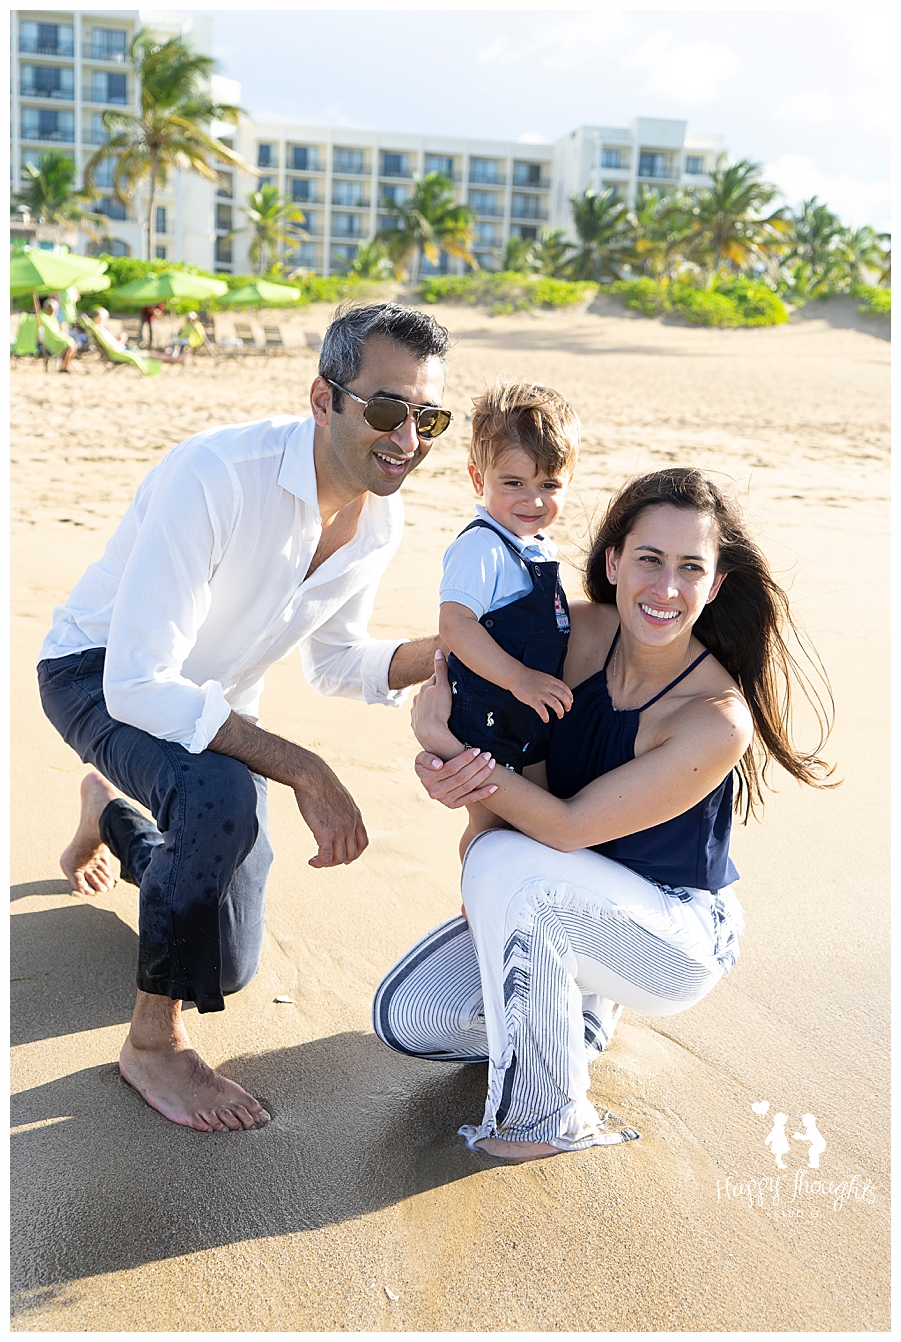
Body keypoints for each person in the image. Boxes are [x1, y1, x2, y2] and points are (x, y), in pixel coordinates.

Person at [38, 302, 454, 1135]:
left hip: (210, 715)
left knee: (224, 965)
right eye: (384, 409)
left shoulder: (380, 517)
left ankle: (112, 814)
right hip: (97, 674)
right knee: (223, 802)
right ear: (322, 398)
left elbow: (335, 662)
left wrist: (456, 650)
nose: (407, 439)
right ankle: (152, 1045)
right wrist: (304, 767)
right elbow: (140, 684)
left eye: (428, 417)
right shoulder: (217, 474)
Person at [374, 467, 834, 1163]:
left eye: (689, 569)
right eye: (649, 559)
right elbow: (507, 797)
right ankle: (576, 1012)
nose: (665, 588)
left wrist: (447, 750)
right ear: (613, 561)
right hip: (554, 893)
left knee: (510, 867)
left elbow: (562, 827)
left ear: (713, 587)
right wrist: (472, 792)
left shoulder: (714, 719)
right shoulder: (574, 634)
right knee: (408, 1018)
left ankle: (548, 1117)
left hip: (671, 936)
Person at [439, 382, 578, 856]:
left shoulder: (532, 547)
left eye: (549, 485)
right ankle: (476, 893)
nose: (532, 500)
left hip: (528, 710)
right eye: (513, 483)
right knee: (491, 816)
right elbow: (456, 625)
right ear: (479, 480)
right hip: (491, 712)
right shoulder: (482, 546)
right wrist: (518, 678)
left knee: (536, 811)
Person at [37, 297, 77, 372]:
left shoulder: (52, 317)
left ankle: (65, 366)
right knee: (70, 346)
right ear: (48, 308)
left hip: (57, 338)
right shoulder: (42, 317)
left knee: (72, 345)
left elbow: (57, 331)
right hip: (51, 342)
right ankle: (64, 367)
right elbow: (52, 333)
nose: (54, 312)